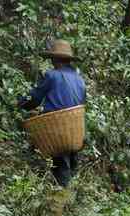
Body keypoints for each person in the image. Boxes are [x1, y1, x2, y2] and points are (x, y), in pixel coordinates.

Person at [18, 39, 86, 187]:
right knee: (69, 169)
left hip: (57, 131)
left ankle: (59, 202)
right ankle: (68, 200)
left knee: (60, 172)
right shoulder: (80, 79)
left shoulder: (52, 75)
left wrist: (20, 103)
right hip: (74, 132)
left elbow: (34, 98)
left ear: (55, 59)